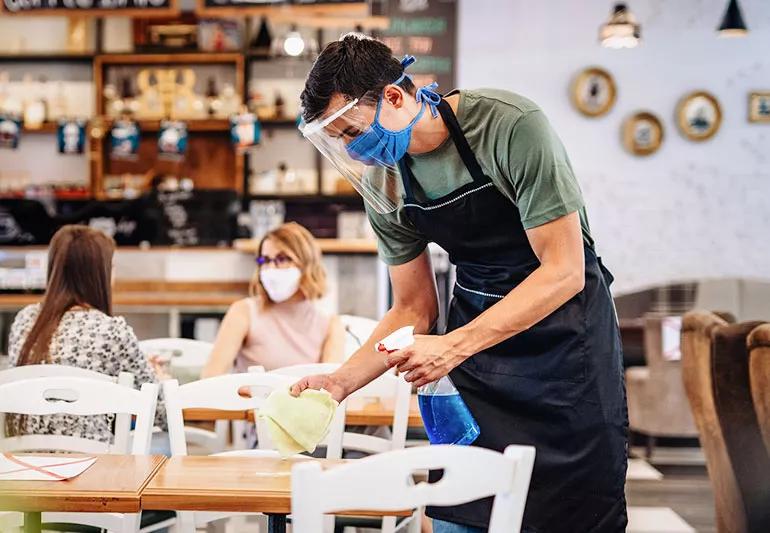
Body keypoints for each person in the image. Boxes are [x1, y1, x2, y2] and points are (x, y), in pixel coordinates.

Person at [292, 34, 628, 533]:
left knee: (576, 510)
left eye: (353, 131)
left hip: (566, 345)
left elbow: (563, 270)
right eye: (338, 140)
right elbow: (412, 308)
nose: (352, 150)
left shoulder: (510, 126)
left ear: (394, 97)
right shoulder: (384, 181)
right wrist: (340, 383)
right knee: (465, 505)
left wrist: (453, 346)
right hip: (479, 354)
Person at [5, 225, 166, 442]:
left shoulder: (25, 320)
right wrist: (162, 378)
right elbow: (160, 413)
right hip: (92, 466)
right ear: (99, 273)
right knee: (165, 443)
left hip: (25, 464)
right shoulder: (111, 330)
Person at [202, 222, 344, 378]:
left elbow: (330, 389)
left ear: (306, 264)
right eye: (265, 260)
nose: (271, 268)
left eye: (282, 259)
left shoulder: (330, 325)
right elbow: (210, 378)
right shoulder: (244, 312)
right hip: (249, 401)